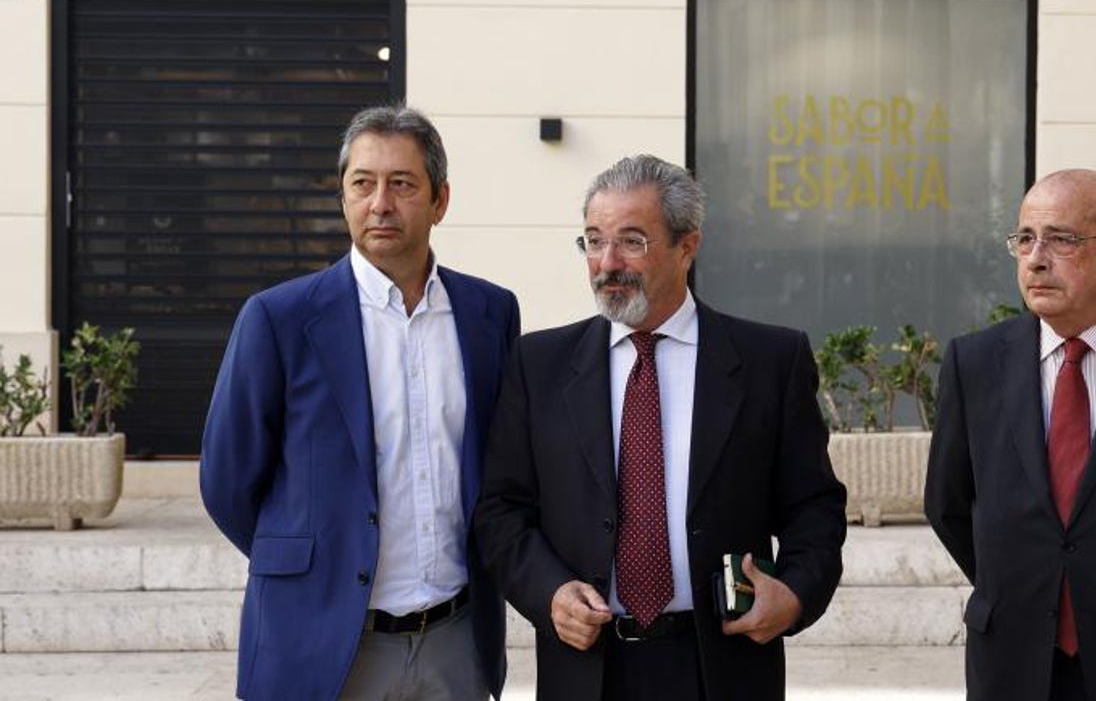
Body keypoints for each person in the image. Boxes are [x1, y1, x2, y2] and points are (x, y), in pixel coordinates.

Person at [473, 154, 846, 701]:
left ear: (687, 247)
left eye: (631, 241)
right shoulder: (538, 365)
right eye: (593, 241)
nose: (607, 262)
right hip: (587, 669)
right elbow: (501, 510)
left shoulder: (771, 360)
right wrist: (548, 593)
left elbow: (814, 505)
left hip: (721, 665)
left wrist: (791, 592)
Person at [200, 105, 520, 701]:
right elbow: (226, 482)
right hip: (320, 642)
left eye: (402, 184)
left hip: (456, 641)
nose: (381, 203)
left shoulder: (489, 314)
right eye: (362, 184)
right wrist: (314, 560)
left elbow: (499, 466)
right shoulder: (280, 319)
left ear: (440, 200)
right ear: (343, 197)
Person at [925, 168, 1096, 701]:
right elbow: (948, 504)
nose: (1036, 258)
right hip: (1014, 657)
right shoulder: (975, 362)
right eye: (1025, 239)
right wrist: (1034, 580)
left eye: (1063, 240)